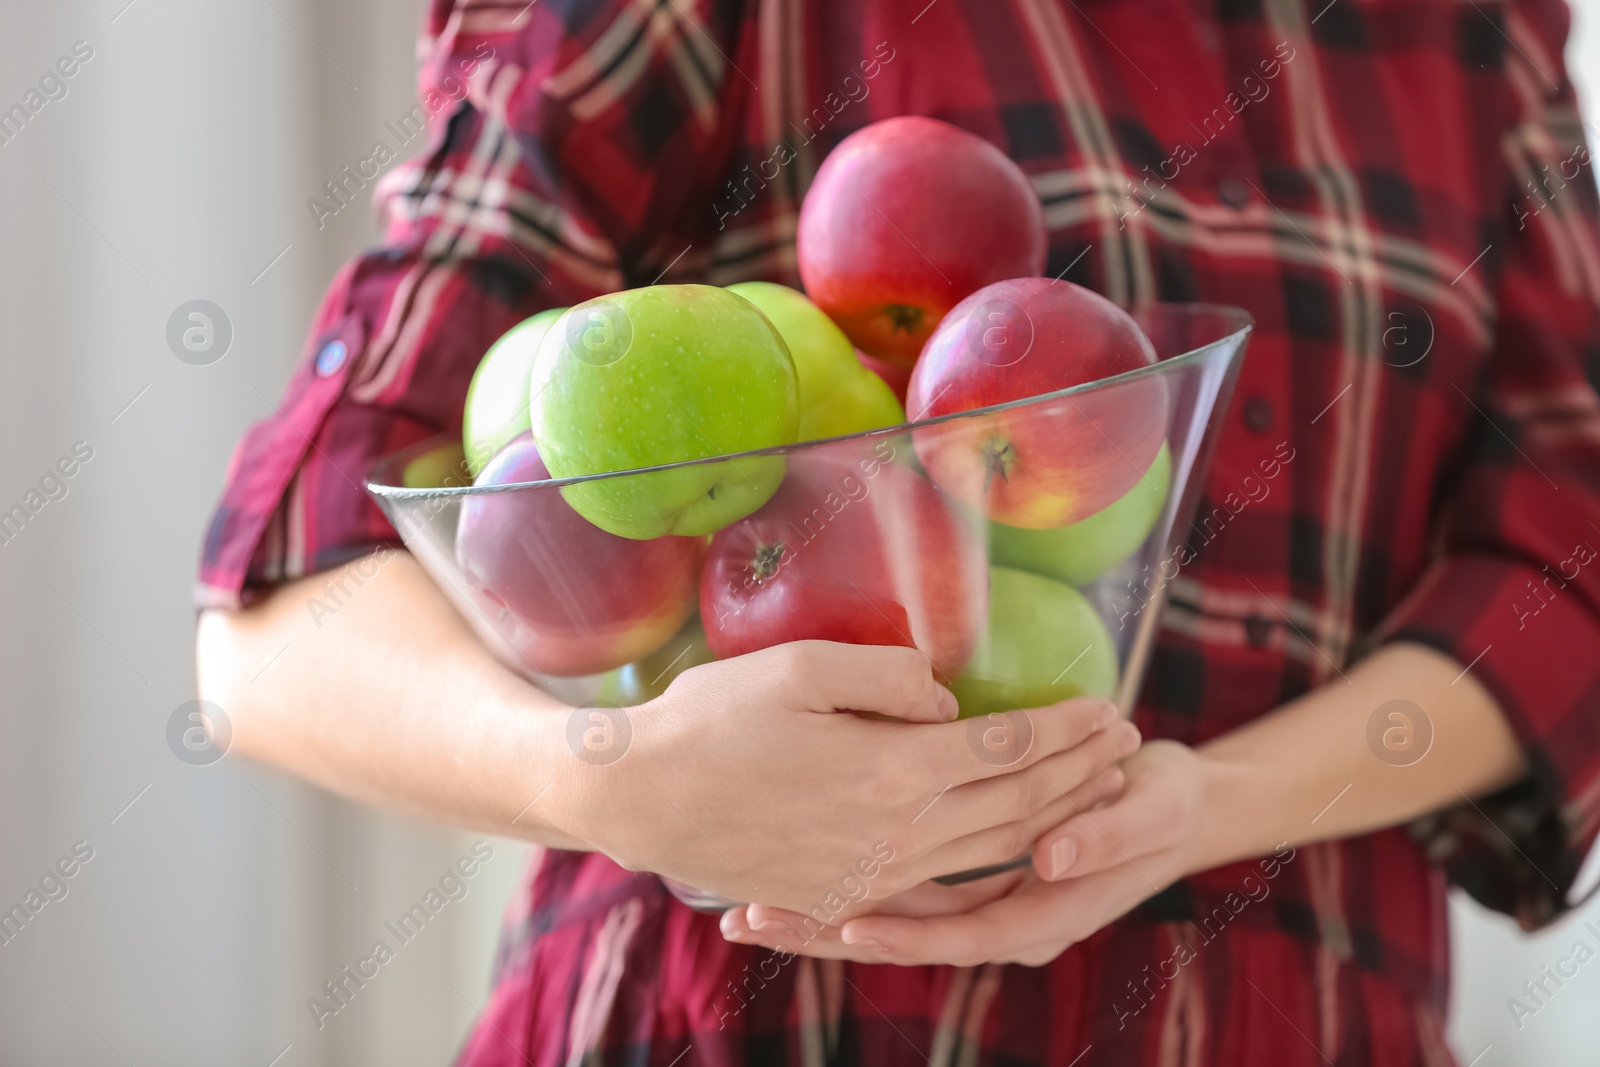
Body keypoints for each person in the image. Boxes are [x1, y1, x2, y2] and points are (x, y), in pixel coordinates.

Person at [195, 0, 1600, 1062]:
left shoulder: (1466, 34)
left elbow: (1565, 572)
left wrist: (1197, 809)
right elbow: (271, 631)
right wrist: (604, 777)